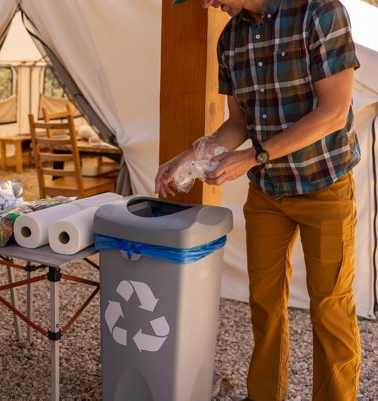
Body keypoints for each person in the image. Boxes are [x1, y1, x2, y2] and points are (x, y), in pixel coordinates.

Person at [155, 0, 361, 399]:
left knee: (330, 308)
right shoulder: (229, 38)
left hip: (325, 184)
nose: (206, 3)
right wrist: (190, 156)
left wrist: (252, 156)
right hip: (268, 192)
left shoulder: (320, 12)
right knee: (265, 306)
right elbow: (238, 124)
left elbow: (334, 112)